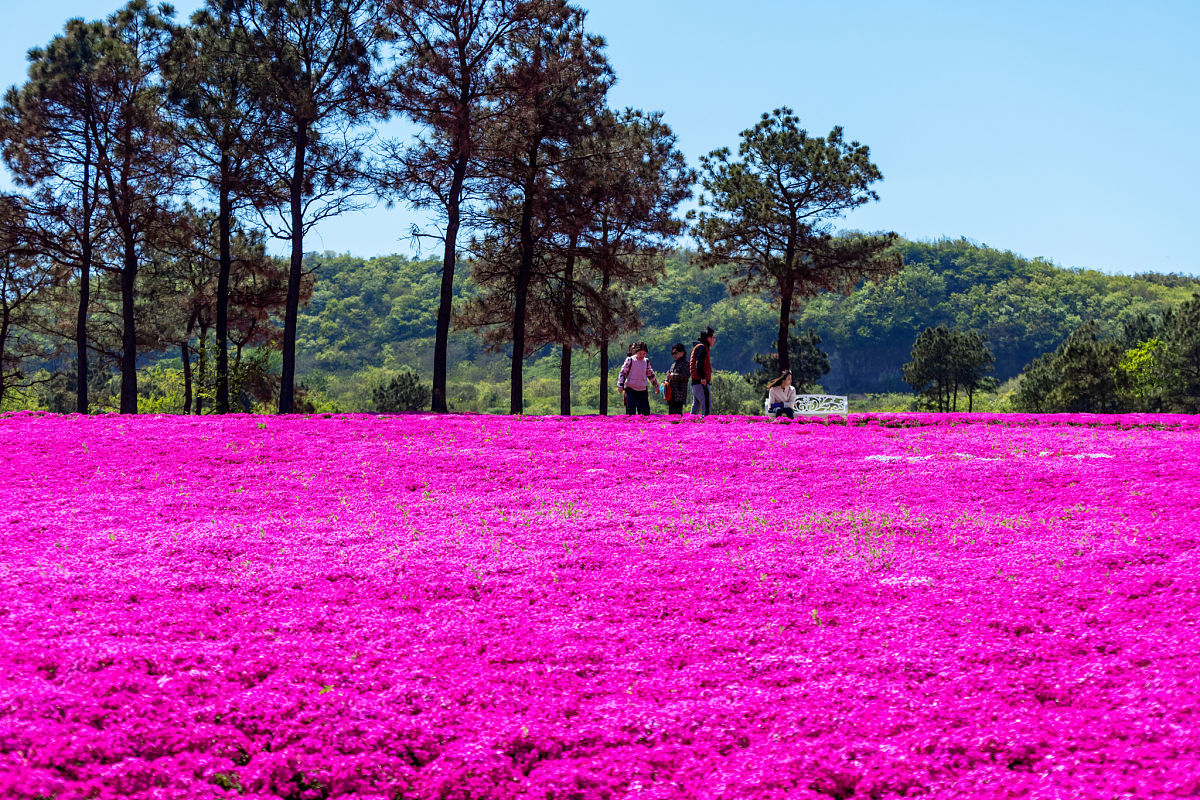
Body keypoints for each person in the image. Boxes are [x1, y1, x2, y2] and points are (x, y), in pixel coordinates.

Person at [617, 341, 659, 416]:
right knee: (631, 411)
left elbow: (650, 374)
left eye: (644, 353)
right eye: (640, 353)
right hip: (631, 389)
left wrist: (656, 386)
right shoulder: (630, 360)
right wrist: (620, 385)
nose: (642, 355)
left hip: (642, 389)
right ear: (636, 352)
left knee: (645, 411)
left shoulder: (646, 361)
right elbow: (623, 372)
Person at [689, 327, 715, 416]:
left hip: (695, 382)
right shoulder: (702, 348)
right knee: (706, 405)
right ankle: (706, 424)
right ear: (708, 338)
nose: (714, 340)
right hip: (701, 381)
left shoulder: (699, 347)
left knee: (696, 405)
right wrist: (703, 377)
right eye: (713, 337)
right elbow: (699, 364)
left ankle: (690, 424)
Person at [662, 342, 689, 416]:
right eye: (672, 353)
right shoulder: (673, 365)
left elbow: (685, 376)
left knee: (677, 414)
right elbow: (669, 376)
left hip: (679, 394)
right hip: (671, 395)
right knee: (671, 415)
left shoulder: (685, 364)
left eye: (676, 353)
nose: (674, 355)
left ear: (682, 353)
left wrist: (673, 376)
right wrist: (665, 381)